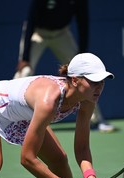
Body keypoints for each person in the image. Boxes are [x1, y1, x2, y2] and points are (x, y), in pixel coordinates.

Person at [14, 0, 116, 133]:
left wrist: (82, 54)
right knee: (25, 71)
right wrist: (25, 57)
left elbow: (82, 23)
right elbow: (31, 20)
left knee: (85, 74)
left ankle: (96, 119)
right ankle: (10, 116)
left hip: (61, 35)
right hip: (37, 33)